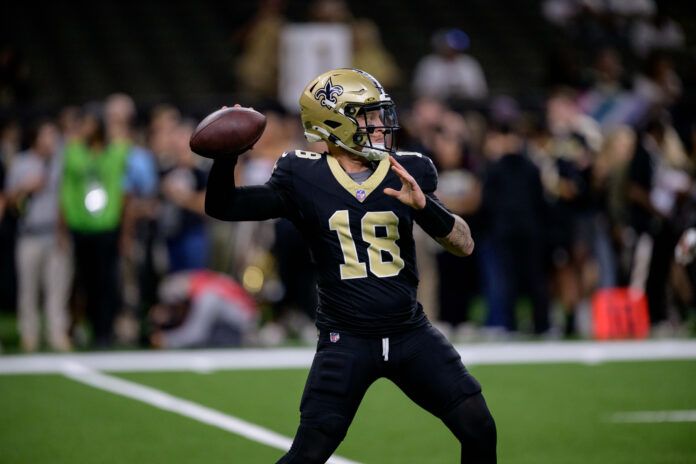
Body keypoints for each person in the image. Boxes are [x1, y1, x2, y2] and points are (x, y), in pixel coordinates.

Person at [205, 68, 496, 463]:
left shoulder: (408, 169)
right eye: (368, 116)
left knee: (479, 427)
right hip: (347, 340)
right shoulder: (301, 175)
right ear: (334, 122)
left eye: (379, 115)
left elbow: (464, 244)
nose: (380, 125)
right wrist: (226, 157)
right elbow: (225, 206)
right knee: (307, 453)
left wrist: (427, 209)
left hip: (411, 333)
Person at [5, 119, 72, 351]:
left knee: (57, 289)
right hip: (29, 234)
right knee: (28, 289)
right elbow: (10, 201)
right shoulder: (21, 163)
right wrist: (25, 188)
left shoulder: (60, 163)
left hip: (54, 233)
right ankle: (29, 336)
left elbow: (66, 200)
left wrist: (64, 232)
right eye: (47, 136)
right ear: (36, 138)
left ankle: (56, 334)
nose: (52, 141)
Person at [148, 270, 258, 349]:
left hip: (243, 329)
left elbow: (196, 334)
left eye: (174, 307)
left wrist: (165, 340)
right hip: (243, 320)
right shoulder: (203, 284)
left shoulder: (206, 297)